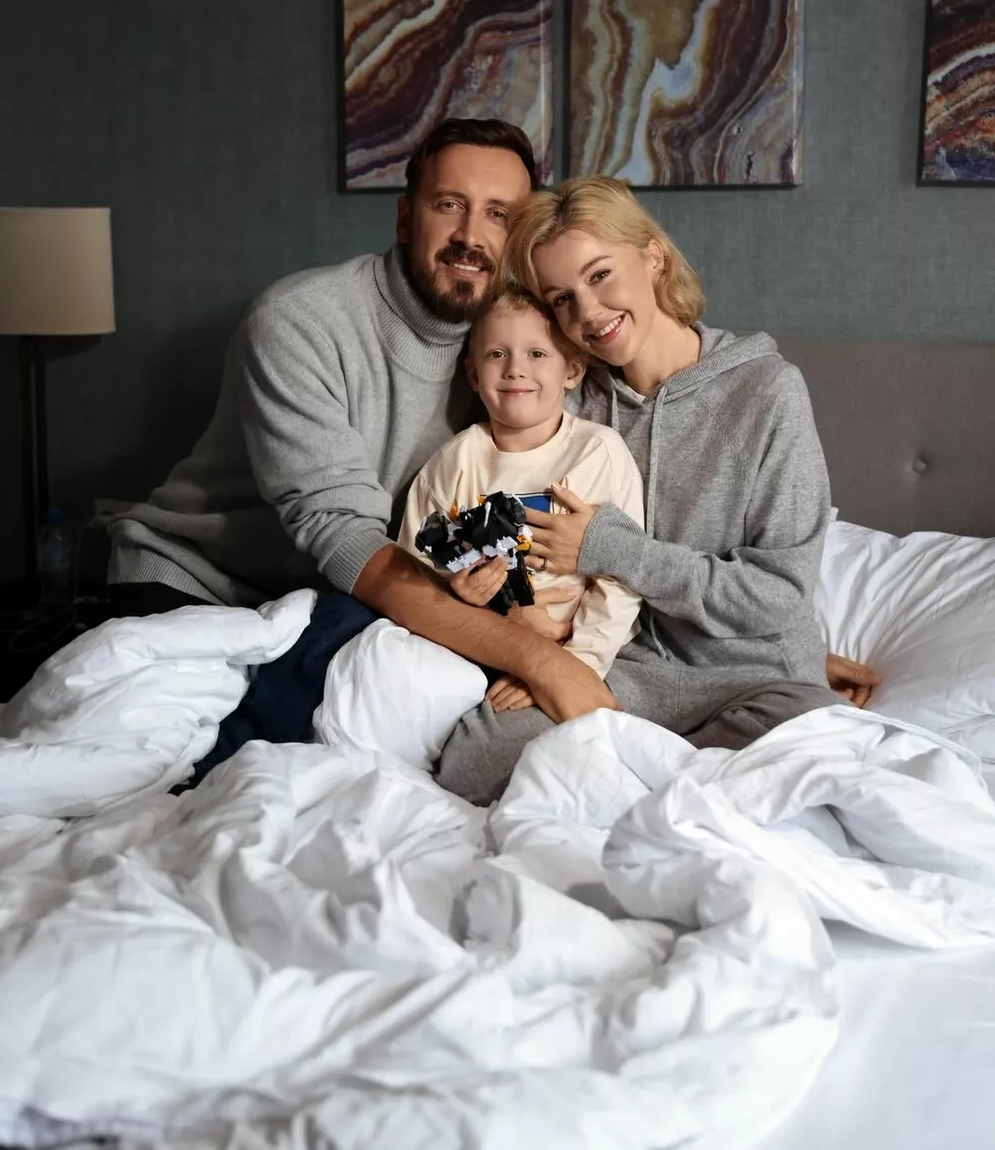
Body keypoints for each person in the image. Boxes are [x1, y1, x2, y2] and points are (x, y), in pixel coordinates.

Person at [106, 120, 618, 729]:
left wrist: (530, 614)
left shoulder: (522, 354)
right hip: (201, 587)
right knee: (170, 755)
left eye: (498, 215)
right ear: (404, 218)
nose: (470, 236)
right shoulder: (300, 323)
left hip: (344, 607)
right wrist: (540, 659)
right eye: (448, 205)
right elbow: (342, 535)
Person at [434, 176, 881, 804]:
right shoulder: (568, 396)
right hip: (625, 666)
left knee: (810, 762)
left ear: (653, 256)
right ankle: (656, 785)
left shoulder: (767, 392)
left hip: (755, 679)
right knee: (472, 762)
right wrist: (512, 616)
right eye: (561, 298)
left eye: (599, 275)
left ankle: (649, 789)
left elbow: (779, 594)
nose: (587, 312)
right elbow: (496, 524)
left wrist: (614, 548)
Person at [397, 286, 644, 712]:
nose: (515, 370)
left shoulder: (597, 452)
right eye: (497, 354)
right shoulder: (452, 464)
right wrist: (459, 593)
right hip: (476, 646)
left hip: (588, 653)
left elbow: (621, 578)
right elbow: (411, 573)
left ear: (572, 369)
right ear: (474, 375)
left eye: (537, 354)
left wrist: (574, 666)